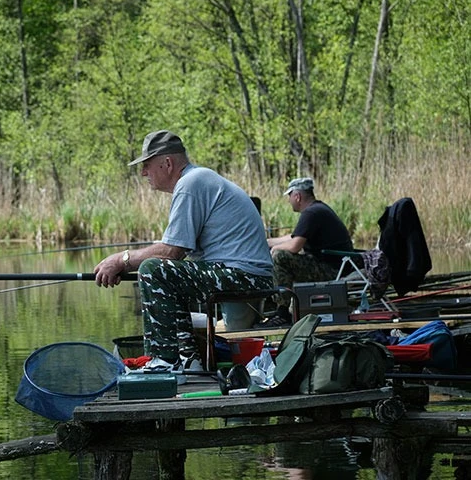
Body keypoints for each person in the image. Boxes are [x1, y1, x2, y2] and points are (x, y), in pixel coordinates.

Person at [94, 130, 273, 371]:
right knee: (166, 272)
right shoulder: (197, 180)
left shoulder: (191, 183)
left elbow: (171, 252)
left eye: (146, 165)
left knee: (154, 270)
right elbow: (175, 253)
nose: (143, 173)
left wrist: (122, 259)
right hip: (244, 275)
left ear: (167, 163)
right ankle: (188, 358)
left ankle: (165, 361)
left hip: (245, 277)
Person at [260, 177, 353, 326]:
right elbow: (293, 237)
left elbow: (294, 246)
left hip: (332, 271)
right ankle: (281, 307)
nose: (289, 200)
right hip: (335, 266)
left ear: (297, 196)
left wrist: (274, 249)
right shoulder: (317, 209)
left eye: (289, 196)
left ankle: (282, 312)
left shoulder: (311, 213)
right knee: (279, 252)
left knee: (279, 257)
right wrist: (266, 242)